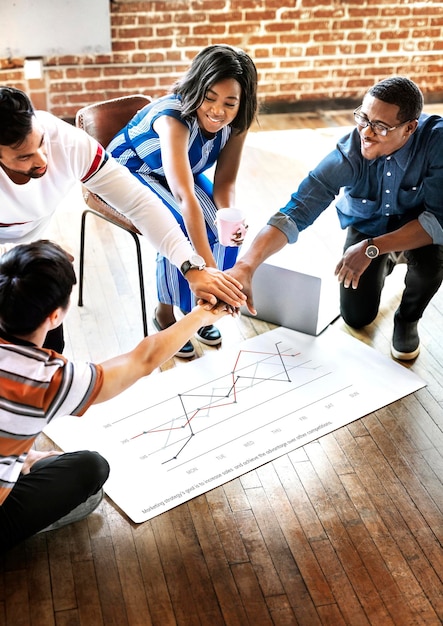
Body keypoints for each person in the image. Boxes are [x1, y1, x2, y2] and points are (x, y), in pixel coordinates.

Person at [0, 239, 229, 552]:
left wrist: (23, 455)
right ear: (55, 316)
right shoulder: (47, 380)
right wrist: (202, 315)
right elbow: (142, 361)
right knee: (91, 472)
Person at [0, 86, 246, 353]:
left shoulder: (67, 142)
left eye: (41, 143)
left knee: (47, 336)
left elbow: (139, 204)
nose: (42, 160)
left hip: (31, 229)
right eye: (24, 157)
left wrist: (191, 267)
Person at [230, 76, 443, 361]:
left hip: (419, 226)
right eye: (363, 118)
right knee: (356, 317)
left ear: (409, 128)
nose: (366, 132)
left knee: (431, 265)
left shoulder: (437, 143)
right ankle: (391, 256)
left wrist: (372, 248)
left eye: (380, 126)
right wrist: (247, 264)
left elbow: (437, 222)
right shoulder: (351, 151)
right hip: (371, 224)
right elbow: (297, 209)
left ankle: (407, 319)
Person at [108, 44, 258, 357]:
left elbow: (225, 181)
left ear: (242, 103)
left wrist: (227, 217)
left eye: (230, 103)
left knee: (219, 226)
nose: (218, 111)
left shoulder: (238, 121)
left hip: (179, 172)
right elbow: (183, 195)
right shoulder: (173, 118)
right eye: (210, 98)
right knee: (178, 227)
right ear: (195, 88)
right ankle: (165, 314)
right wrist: (210, 271)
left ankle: (198, 308)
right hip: (135, 167)